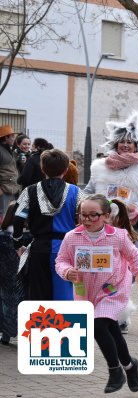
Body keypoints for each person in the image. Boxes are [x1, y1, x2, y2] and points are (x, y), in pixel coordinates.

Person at [55, 194, 138, 394]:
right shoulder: (72, 237)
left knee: (97, 325)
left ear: (106, 216)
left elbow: (134, 257)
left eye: (93, 215)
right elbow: (61, 260)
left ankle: (114, 371)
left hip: (113, 289)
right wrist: (67, 270)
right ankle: (130, 366)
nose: (87, 220)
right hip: (86, 290)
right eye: (83, 215)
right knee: (112, 329)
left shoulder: (118, 236)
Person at [83, 111, 138, 255]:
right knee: (107, 266)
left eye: (129, 142)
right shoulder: (100, 168)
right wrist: (95, 207)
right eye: (122, 142)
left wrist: (137, 205)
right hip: (104, 225)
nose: (125, 145)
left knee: (131, 266)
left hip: (135, 227)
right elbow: (87, 193)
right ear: (116, 144)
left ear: (136, 146)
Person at [12, 149, 81, 300]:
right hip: (66, 249)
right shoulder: (76, 192)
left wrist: (17, 244)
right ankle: (64, 323)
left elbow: (18, 218)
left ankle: (41, 324)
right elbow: (84, 217)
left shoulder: (29, 191)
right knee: (64, 295)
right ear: (66, 169)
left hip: (38, 249)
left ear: (42, 169)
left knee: (38, 296)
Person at [0, 201, 23, 345]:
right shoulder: (27, 236)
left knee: (5, 302)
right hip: (21, 277)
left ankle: (6, 335)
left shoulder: (3, 234)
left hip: (5, 275)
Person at [0, 125, 20, 224]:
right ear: (5, 137)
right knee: (2, 216)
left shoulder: (8, 149)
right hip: (4, 189)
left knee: (8, 216)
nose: (14, 138)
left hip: (12, 188)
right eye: (12, 136)